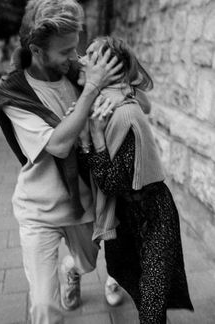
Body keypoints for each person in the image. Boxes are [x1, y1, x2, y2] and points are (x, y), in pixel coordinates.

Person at [0, 1, 125, 323]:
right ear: (37, 50)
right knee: (44, 307)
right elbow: (58, 144)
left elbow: (132, 99)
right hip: (38, 211)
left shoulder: (76, 72)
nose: (75, 56)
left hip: (83, 204)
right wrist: (93, 88)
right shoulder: (15, 93)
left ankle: (73, 270)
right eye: (65, 51)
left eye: (76, 46)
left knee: (87, 264)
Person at [77, 36, 194, 324]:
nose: (81, 58)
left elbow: (112, 183)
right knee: (128, 277)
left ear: (111, 68)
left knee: (153, 303)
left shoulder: (124, 114)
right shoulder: (99, 106)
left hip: (153, 216)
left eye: (90, 55)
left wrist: (93, 140)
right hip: (123, 219)